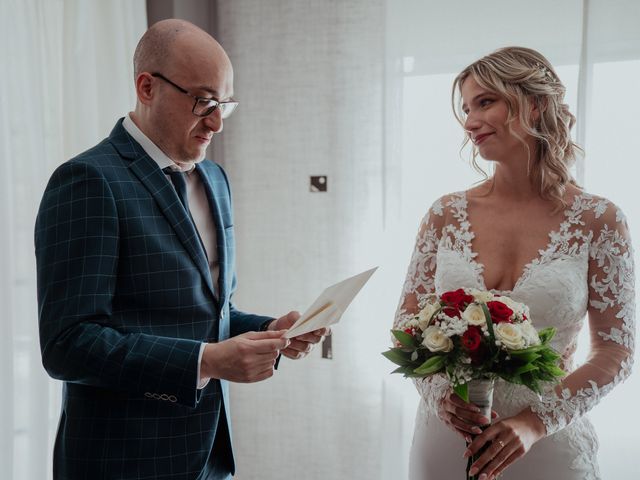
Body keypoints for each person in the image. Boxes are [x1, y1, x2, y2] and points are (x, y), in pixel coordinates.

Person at [35, 19, 328, 480]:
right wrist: (207, 360)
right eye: (203, 101)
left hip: (210, 456)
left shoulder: (214, 178)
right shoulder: (87, 182)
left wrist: (270, 330)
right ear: (147, 87)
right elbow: (67, 345)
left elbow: (207, 311)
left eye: (224, 104)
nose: (216, 122)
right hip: (121, 461)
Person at [395, 46, 635, 480]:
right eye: (466, 108)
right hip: (447, 439)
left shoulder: (600, 220)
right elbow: (407, 323)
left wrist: (534, 423)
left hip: (545, 445)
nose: (470, 122)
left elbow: (616, 350)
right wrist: (439, 396)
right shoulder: (444, 214)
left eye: (486, 102)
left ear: (535, 103)